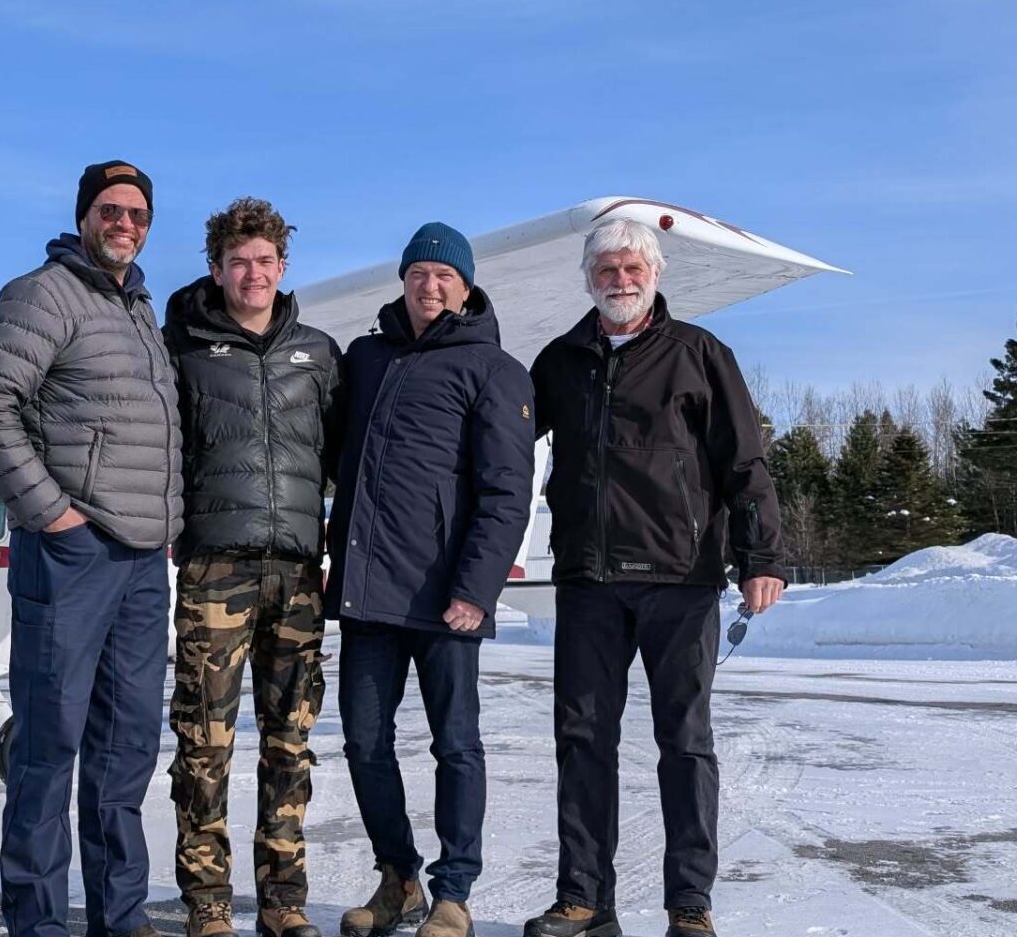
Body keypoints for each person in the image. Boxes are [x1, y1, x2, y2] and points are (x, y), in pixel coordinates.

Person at [520, 218, 786, 937]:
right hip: (588, 580)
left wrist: (762, 556)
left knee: (685, 742)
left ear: (657, 274)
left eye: (632, 268)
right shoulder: (560, 361)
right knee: (582, 739)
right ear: (588, 279)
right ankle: (584, 900)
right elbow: (504, 448)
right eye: (606, 269)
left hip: (681, 578)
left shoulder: (699, 354)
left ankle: (689, 905)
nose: (620, 280)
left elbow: (744, 461)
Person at [0, 160, 183, 937]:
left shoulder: (140, 309)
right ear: (85, 215)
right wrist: (52, 516)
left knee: (126, 751)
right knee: (49, 749)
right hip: (71, 557)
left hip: (142, 562)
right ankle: (38, 923)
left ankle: (120, 916)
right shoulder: (42, 294)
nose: (125, 224)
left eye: (138, 215)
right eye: (111, 210)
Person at [327, 222, 536, 937]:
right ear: (403, 281)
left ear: (467, 287)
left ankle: (454, 893)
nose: (430, 285)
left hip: (447, 599)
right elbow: (332, 456)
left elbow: (507, 490)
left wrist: (476, 589)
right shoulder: (366, 359)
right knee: (363, 743)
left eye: (445, 275)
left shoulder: (494, 369)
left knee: (456, 745)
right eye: (418, 272)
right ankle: (398, 880)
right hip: (369, 594)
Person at [162, 197, 342, 937]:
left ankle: (283, 900)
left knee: (289, 743)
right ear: (216, 269)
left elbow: (342, 455)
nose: (253, 273)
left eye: (265, 260)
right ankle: (207, 903)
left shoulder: (319, 354)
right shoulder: (184, 350)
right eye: (239, 261)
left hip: (297, 574)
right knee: (204, 742)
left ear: (283, 266)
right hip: (215, 569)